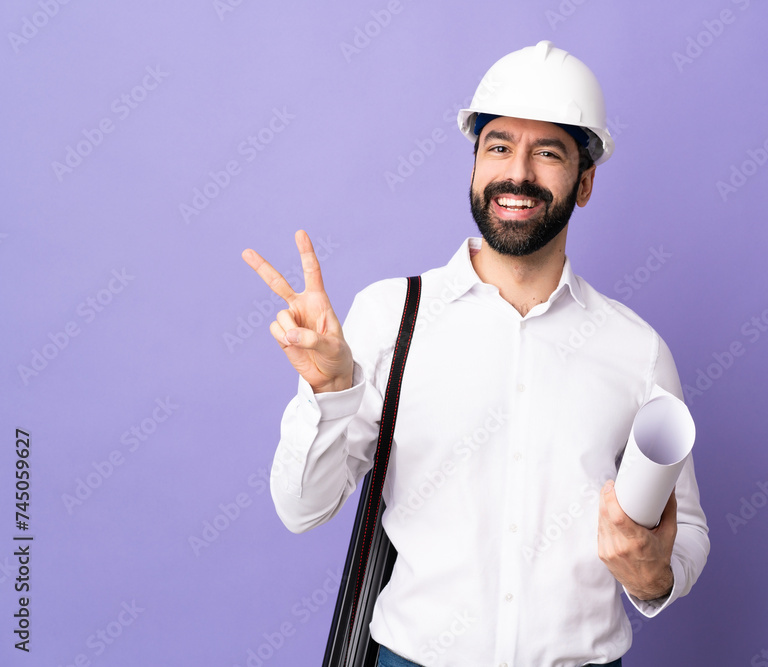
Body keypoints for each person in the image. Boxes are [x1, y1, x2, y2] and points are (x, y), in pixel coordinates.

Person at [243, 41, 709, 667]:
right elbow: (301, 509)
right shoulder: (390, 319)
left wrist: (652, 574)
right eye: (498, 147)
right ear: (473, 166)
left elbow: (691, 535)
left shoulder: (637, 351)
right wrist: (328, 393)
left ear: (586, 181)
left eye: (548, 152)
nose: (518, 173)